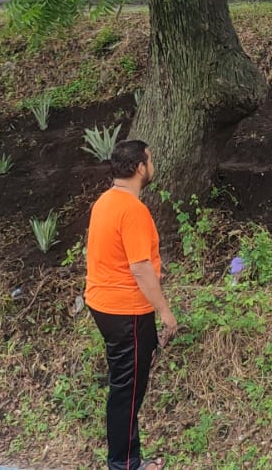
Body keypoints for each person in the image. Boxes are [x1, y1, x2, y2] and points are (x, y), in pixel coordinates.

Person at [86, 140, 177, 470]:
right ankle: (125, 464)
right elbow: (140, 268)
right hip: (127, 312)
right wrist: (165, 313)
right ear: (140, 167)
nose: (152, 166)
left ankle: (128, 459)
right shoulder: (133, 210)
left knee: (125, 386)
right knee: (127, 391)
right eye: (149, 160)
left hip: (104, 306)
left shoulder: (104, 202)